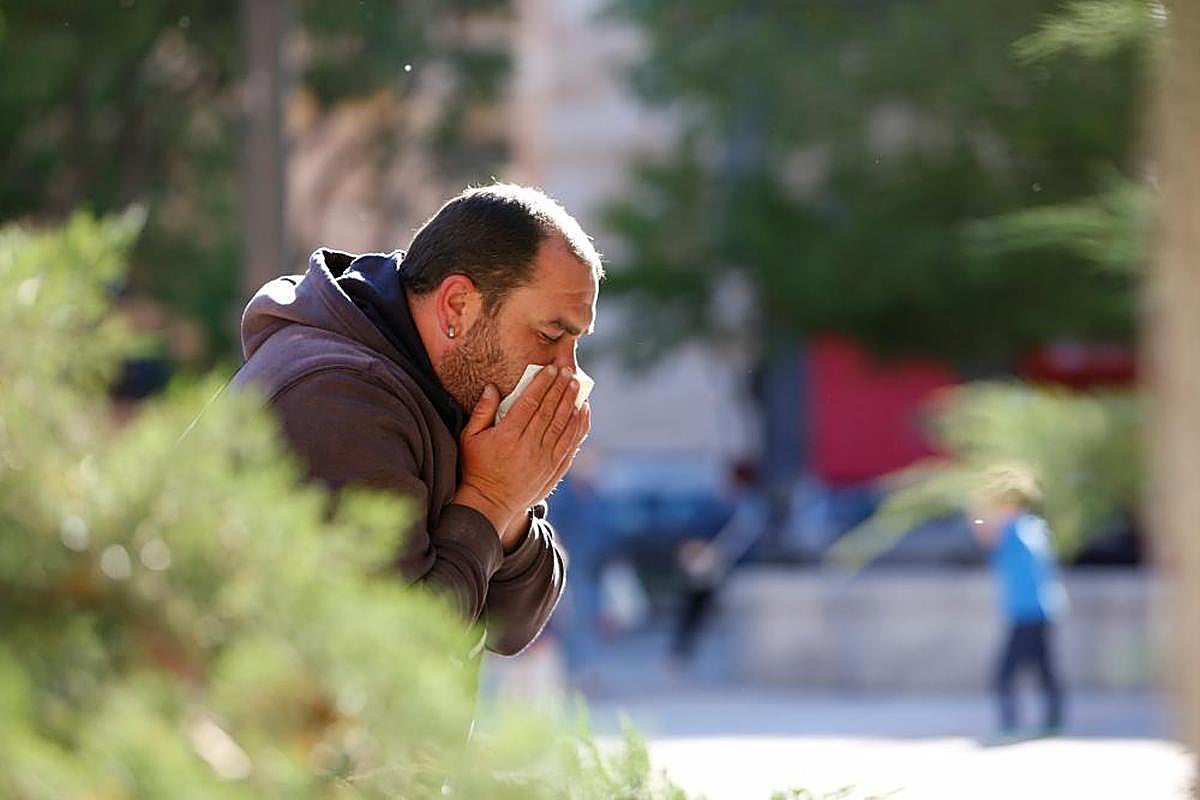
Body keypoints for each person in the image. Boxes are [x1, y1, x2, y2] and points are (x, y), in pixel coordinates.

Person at [235, 183, 600, 669]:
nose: (566, 370)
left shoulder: (446, 386)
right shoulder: (338, 397)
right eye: (550, 335)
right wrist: (490, 499)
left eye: (575, 344)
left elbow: (510, 626)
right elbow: (397, 661)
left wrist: (512, 503)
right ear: (457, 306)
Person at [972, 464, 1067, 739]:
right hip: (1044, 608)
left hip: (1027, 611)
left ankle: (1010, 725)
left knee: (1006, 673)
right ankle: (1052, 722)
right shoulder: (1034, 527)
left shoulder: (1013, 529)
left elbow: (984, 532)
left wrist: (978, 509)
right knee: (1044, 670)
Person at [670, 460, 768, 667]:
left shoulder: (723, 504)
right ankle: (682, 655)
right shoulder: (751, 508)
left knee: (696, 611)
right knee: (698, 610)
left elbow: (694, 533)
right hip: (725, 568)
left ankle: (681, 656)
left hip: (719, 568)